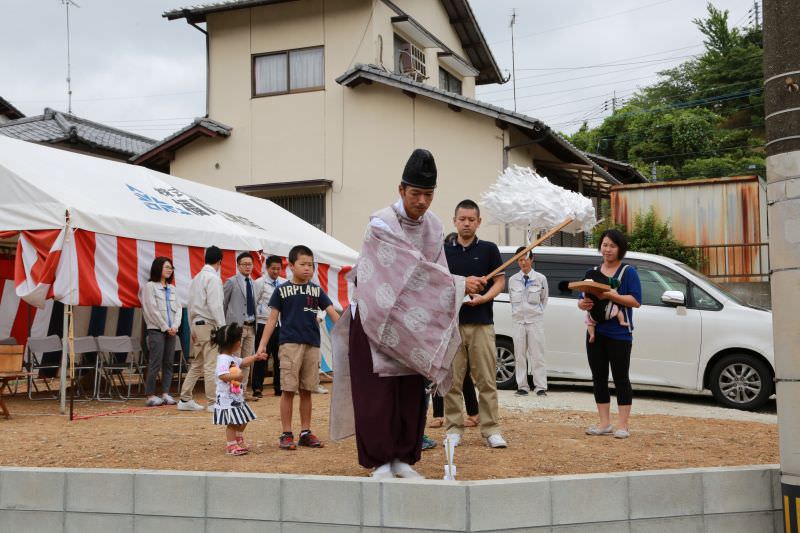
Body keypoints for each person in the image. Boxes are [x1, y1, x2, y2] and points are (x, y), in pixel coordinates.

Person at [329, 148, 486, 479]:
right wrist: (458, 284)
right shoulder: (381, 225)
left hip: (413, 324)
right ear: (401, 190)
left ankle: (403, 457)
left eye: (428, 194)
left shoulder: (434, 226)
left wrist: (455, 289)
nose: (423, 201)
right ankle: (380, 461)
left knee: (411, 392)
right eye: (416, 193)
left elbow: (434, 269)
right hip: (375, 320)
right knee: (378, 395)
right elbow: (409, 272)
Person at [256, 245, 339, 450]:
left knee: (307, 390)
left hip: (312, 345)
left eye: (310, 265)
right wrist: (262, 346)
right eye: (303, 264)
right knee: (287, 390)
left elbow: (332, 312)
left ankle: (305, 432)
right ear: (291, 266)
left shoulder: (316, 290)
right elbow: (272, 319)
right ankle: (286, 433)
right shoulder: (282, 290)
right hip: (289, 345)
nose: (307, 269)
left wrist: (350, 332)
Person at [444, 199, 507, 449]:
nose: (467, 223)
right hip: (452, 325)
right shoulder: (444, 251)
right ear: (455, 221)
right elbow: (438, 284)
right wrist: (461, 285)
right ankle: (453, 429)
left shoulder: (490, 249)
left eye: (472, 219)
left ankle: (491, 429)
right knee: (451, 381)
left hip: (481, 323)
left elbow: (499, 283)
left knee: (487, 380)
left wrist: (484, 298)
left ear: (478, 222)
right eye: (462, 219)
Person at [577, 229, 642, 439]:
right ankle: (604, 423)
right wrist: (583, 303)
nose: (607, 249)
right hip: (596, 333)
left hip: (620, 334)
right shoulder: (593, 271)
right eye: (604, 245)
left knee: (621, 378)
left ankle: (623, 425)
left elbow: (636, 301)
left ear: (620, 249)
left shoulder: (628, 272)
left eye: (612, 246)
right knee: (599, 378)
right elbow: (582, 300)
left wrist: (614, 295)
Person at [178, 246, 226, 412]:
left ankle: (185, 398)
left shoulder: (197, 278)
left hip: (197, 324)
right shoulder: (213, 279)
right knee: (211, 364)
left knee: (197, 363)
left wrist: (191, 328)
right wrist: (222, 326)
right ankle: (213, 402)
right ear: (220, 261)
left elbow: (190, 305)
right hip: (209, 324)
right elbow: (215, 305)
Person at [211, 323, 266, 455]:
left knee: (244, 419)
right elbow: (222, 375)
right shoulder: (223, 359)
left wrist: (255, 357)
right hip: (227, 399)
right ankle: (231, 446)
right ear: (235, 343)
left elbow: (243, 361)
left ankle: (238, 438)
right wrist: (236, 375)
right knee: (233, 423)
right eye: (239, 340)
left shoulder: (231, 357)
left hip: (236, 397)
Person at [141, 257, 182, 407]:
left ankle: (165, 393)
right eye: (166, 267)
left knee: (169, 362)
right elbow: (151, 310)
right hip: (157, 330)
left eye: (171, 267)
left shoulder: (173, 289)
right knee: (155, 362)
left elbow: (179, 309)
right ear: (158, 268)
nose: (169, 270)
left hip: (171, 330)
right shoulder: (150, 286)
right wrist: (165, 327)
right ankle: (150, 395)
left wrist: (175, 326)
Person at [508, 248, 548, 397]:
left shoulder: (540, 278)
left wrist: (535, 313)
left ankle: (540, 386)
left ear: (532, 259)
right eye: (519, 259)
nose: (523, 262)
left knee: (537, 355)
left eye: (525, 258)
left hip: (535, 322)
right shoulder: (512, 279)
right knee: (519, 355)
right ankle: (522, 386)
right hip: (518, 322)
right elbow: (512, 300)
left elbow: (544, 299)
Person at [223, 252, 258, 394]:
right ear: (238, 266)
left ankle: (242, 390)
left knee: (247, 360)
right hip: (237, 327)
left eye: (250, 264)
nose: (247, 267)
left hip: (251, 326)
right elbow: (223, 304)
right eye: (244, 264)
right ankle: (234, 389)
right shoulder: (231, 281)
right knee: (235, 360)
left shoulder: (254, 283)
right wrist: (225, 327)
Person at [252, 255, 286, 398]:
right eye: (273, 269)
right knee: (262, 356)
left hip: (280, 324)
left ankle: (279, 387)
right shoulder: (259, 282)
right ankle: (257, 387)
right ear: (267, 268)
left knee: (280, 357)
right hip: (263, 323)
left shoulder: (285, 283)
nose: (276, 271)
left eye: (278, 269)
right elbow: (255, 302)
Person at [582, 268, 629, 343]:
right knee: (618, 310)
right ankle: (622, 321)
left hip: (593, 316)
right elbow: (615, 294)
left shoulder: (587, 291)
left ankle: (592, 334)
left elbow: (583, 297)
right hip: (610, 311)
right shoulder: (607, 288)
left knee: (589, 323)